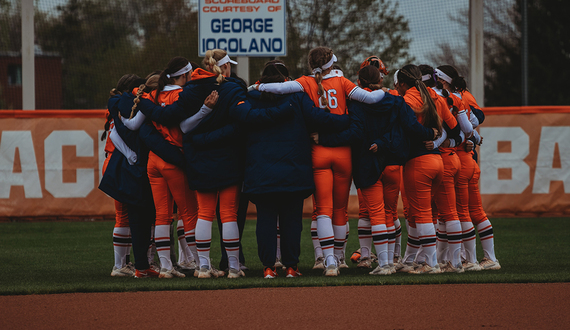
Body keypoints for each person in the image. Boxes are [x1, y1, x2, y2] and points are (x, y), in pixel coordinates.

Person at [132, 49, 294, 278]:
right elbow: (241, 123)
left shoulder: (189, 90)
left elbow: (182, 125)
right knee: (228, 213)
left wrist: (141, 102)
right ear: (225, 67)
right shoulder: (232, 87)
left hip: (198, 158)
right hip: (228, 157)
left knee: (204, 213)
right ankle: (234, 267)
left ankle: (204, 266)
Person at [257, 46, 386, 276]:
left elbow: (278, 87)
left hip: (318, 152)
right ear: (331, 63)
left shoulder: (305, 82)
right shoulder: (343, 82)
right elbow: (370, 97)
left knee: (323, 210)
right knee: (340, 210)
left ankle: (328, 262)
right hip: (343, 154)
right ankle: (339, 257)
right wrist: (385, 92)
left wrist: (255, 86)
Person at [319, 65, 437, 275]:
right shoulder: (396, 100)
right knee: (390, 214)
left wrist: (325, 139)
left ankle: (384, 264)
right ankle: (393, 260)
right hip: (392, 164)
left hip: (367, 163)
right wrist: (431, 133)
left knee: (376, 215)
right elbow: (411, 127)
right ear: (381, 80)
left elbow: (354, 133)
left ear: (360, 82)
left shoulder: (355, 102)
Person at [246, 60, 349, 278]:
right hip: (293, 168)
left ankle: (268, 267)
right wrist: (346, 120)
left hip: (261, 170)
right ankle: (291, 266)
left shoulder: (250, 98)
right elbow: (318, 117)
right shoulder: (296, 96)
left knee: (265, 220)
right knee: (291, 221)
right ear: (286, 79)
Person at [394, 64, 459, 274]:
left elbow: (408, 125)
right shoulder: (434, 95)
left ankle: (430, 264)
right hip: (437, 161)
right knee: (426, 214)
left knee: (421, 214)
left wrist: (427, 135)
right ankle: (418, 260)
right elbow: (456, 128)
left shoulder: (409, 98)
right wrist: (438, 139)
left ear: (404, 83)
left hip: (419, 162)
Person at [436, 65, 500, 271]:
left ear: (442, 81)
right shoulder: (460, 97)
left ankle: (467, 260)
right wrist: (472, 137)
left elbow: (467, 124)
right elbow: (471, 124)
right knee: (474, 211)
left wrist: (460, 139)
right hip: (468, 159)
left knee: (455, 213)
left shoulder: (449, 98)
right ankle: (488, 258)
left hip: (458, 158)